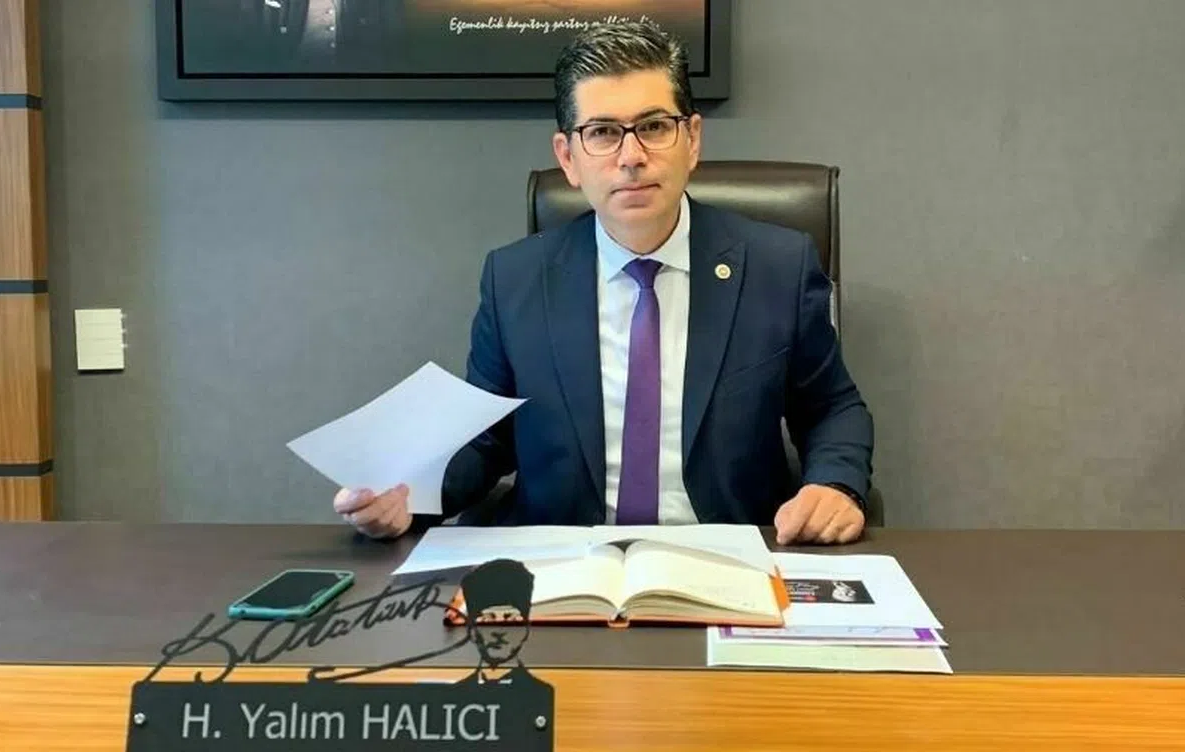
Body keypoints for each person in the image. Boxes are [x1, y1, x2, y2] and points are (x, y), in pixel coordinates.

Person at [335, 21, 874, 545]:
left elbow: (831, 408)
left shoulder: (776, 266)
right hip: (561, 561)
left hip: (726, 554)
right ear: (568, 158)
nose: (631, 157)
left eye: (654, 127)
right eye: (602, 133)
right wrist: (411, 494)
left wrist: (834, 484)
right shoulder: (515, 280)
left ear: (691, 139)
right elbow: (487, 439)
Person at [453, 558, 547, 686]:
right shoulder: (456, 692)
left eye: (510, 618)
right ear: (472, 630)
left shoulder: (541, 692)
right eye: (488, 618)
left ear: (526, 629)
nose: (499, 631)